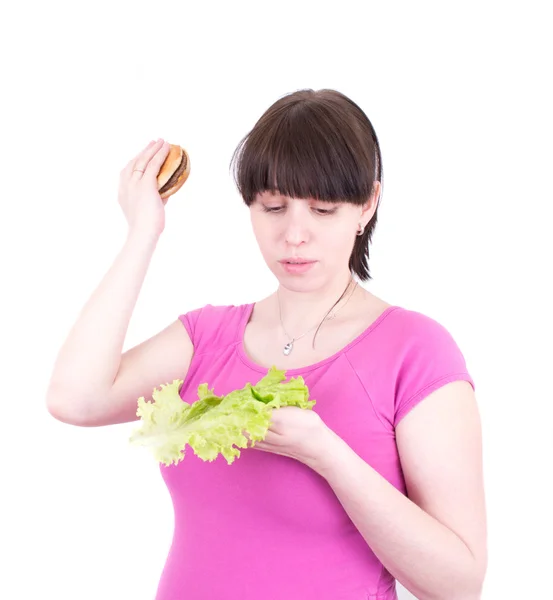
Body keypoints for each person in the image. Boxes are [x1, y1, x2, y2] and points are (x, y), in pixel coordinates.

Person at [46, 89, 487, 600]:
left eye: (322, 209)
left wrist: (327, 455)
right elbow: (73, 399)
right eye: (273, 206)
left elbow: (458, 585)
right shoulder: (207, 338)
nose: (293, 234)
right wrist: (143, 232)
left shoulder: (415, 350)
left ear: (367, 205)